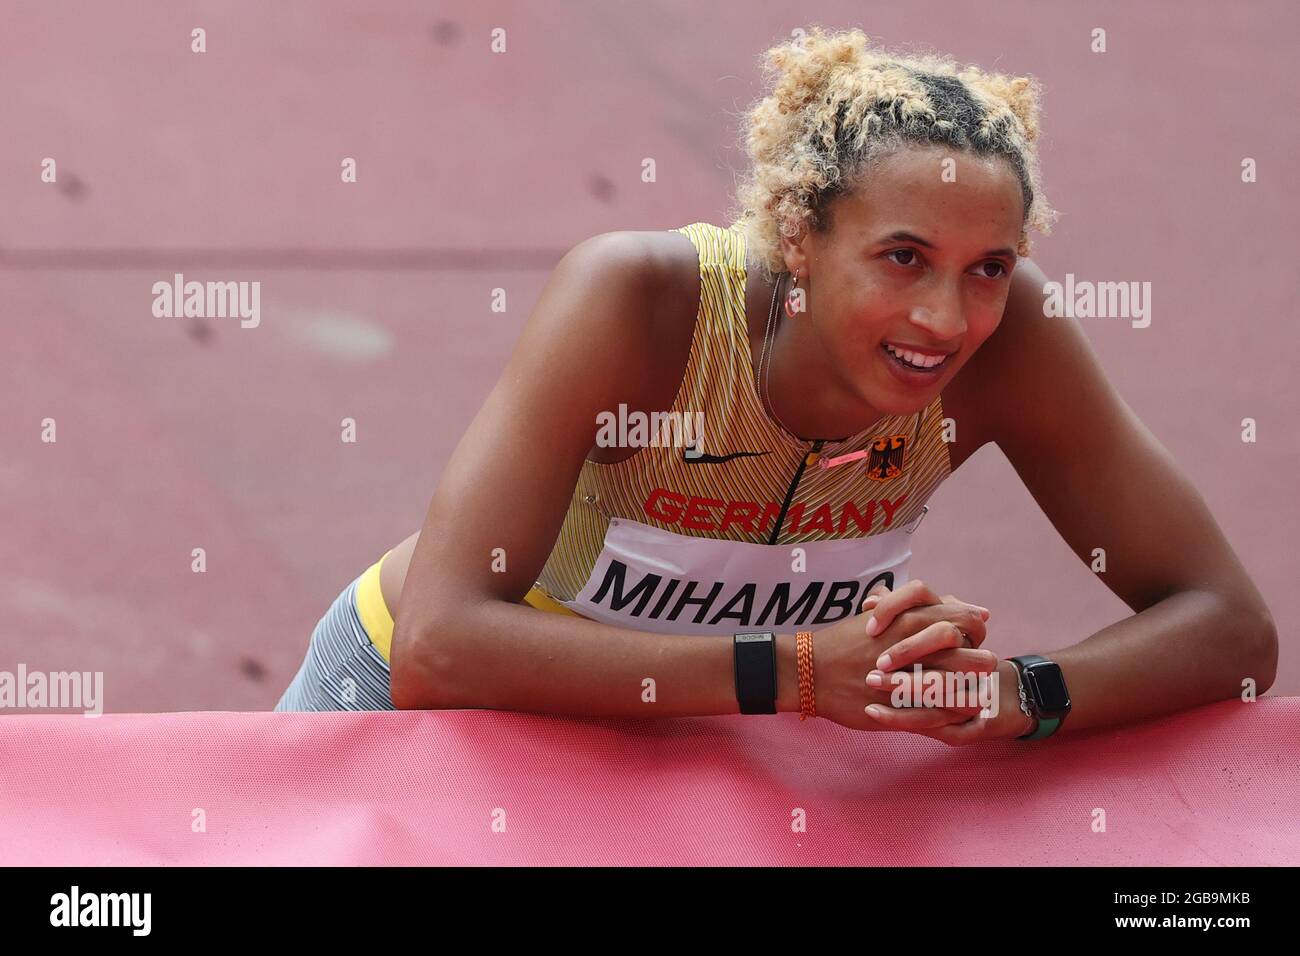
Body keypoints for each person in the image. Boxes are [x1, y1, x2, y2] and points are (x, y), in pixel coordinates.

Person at [276, 27, 1277, 745]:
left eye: (988, 265)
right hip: (418, 704)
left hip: (693, 729)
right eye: (901, 257)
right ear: (798, 237)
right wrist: (793, 669)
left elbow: (1229, 627)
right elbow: (441, 646)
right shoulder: (640, 301)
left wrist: (1016, 691)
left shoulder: (1014, 335)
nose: (945, 316)